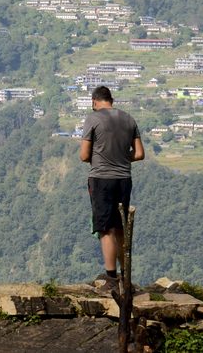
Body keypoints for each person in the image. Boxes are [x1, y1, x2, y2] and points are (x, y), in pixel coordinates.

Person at [79, 85, 144, 288]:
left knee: (105, 228)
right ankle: (125, 277)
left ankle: (111, 277)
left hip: (101, 179)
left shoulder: (93, 119)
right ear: (111, 100)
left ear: (94, 101)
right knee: (121, 227)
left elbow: (84, 155)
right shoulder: (129, 119)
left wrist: (104, 158)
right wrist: (121, 158)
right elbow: (139, 153)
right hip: (124, 179)